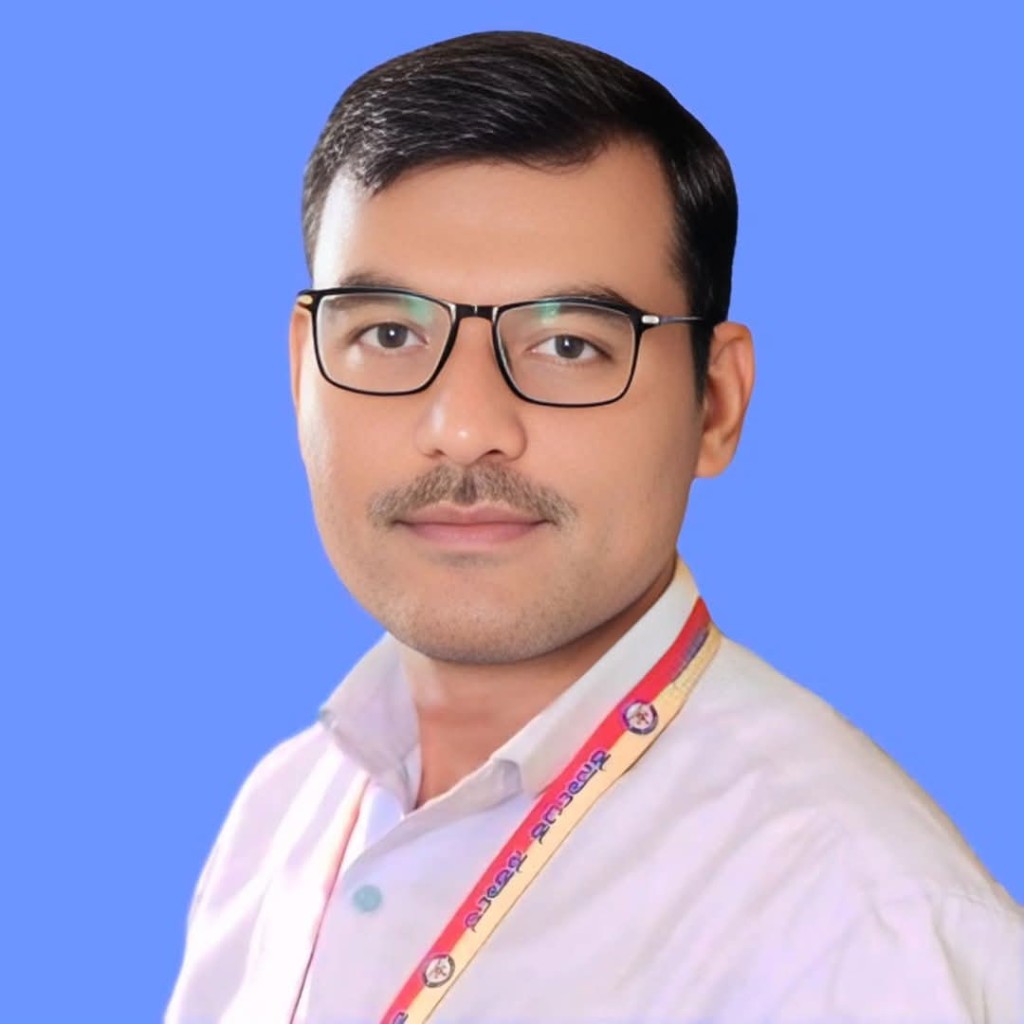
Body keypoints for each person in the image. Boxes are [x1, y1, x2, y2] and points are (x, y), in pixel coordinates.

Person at [166, 30, 1023, 1024]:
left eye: (569, 344)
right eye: (390, 333)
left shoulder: (862, 929)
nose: (466, 428)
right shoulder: (281, 816)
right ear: (302, 371)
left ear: (715, 404)